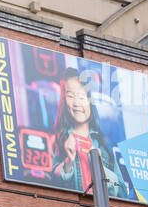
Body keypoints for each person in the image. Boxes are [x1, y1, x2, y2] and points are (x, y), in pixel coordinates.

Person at [49, 69, 124, 198]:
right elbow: (51, 188)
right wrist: (69, 162)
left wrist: (102, 171)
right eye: (71, 96)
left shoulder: (103, 144)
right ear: (64, 100)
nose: (76, 103)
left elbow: (122, 191)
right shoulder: (58, 140)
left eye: (81, 97)